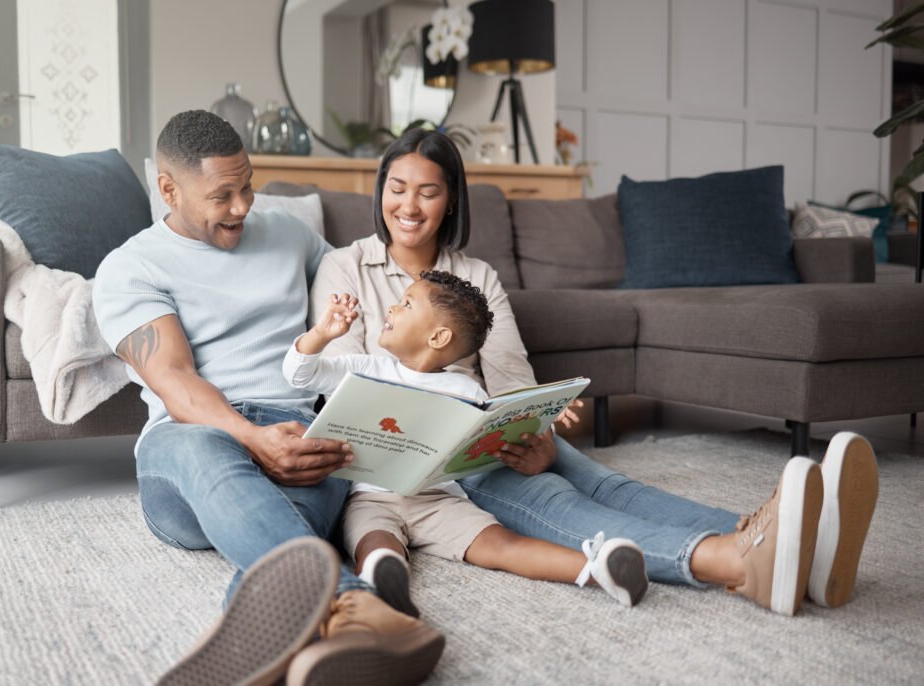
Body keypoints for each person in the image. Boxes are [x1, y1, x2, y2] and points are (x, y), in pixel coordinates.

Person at [309, 127, 880, 617]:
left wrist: (533, 430)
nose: (409, 206)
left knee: (606, 482)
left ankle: (772, 536)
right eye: (397, 188)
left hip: (479, 436)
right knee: (554, 501)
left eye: (428, 192)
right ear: (380, 191)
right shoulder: (344, 267)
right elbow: (353, 391)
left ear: (451, 201)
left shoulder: (477, 276)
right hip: (413, 461)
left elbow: (511, 379)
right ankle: (729, 561)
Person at [92, 110, 445, 686]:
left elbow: (360, 291)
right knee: (203, 450)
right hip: (191, 446)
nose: (242, 206)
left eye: (248, 185)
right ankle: (359, 607)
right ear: (168, 189)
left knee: (291, 535)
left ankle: (306, 644)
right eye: (222, 195)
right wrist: (252, 438)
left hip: (298, 432)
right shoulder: (130, 268)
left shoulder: (289, 232)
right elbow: (175, 380)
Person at [285, 273, 649, 612]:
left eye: (407, 303)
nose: (392, 308)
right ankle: (383, 577)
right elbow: (299, 375)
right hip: (371, 496)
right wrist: (321, 334)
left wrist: (540, 418)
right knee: (375, 543)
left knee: (501, 545)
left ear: (438, 337)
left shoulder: (466, 390)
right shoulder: (365, 370)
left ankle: (597, 567)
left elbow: (487, 443)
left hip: (440, 498)